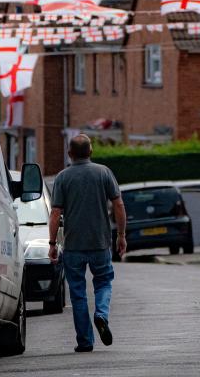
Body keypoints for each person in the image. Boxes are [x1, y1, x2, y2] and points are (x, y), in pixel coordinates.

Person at [49, 134, 127, 353]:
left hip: (73, 245)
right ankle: (101, 314)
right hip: (100, 242)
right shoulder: (104, 172)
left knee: (77, 293)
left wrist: (52, 242)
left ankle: (85, 341)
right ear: (91, 152)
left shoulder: (63, 177)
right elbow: (118, 205)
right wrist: (121, 235)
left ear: (69, 154)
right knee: (103, 282)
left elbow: (56, 213)